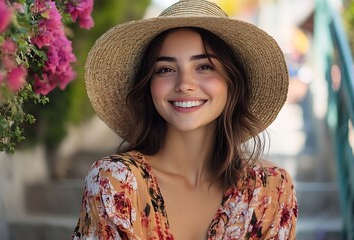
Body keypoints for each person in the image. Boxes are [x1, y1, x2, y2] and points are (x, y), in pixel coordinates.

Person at [72, 0, 298, 239]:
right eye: (166, 69)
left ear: (233, 82)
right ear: (148, 85)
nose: (184, 85)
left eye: (204, 66)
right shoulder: (116, 181)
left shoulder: (270, 189)